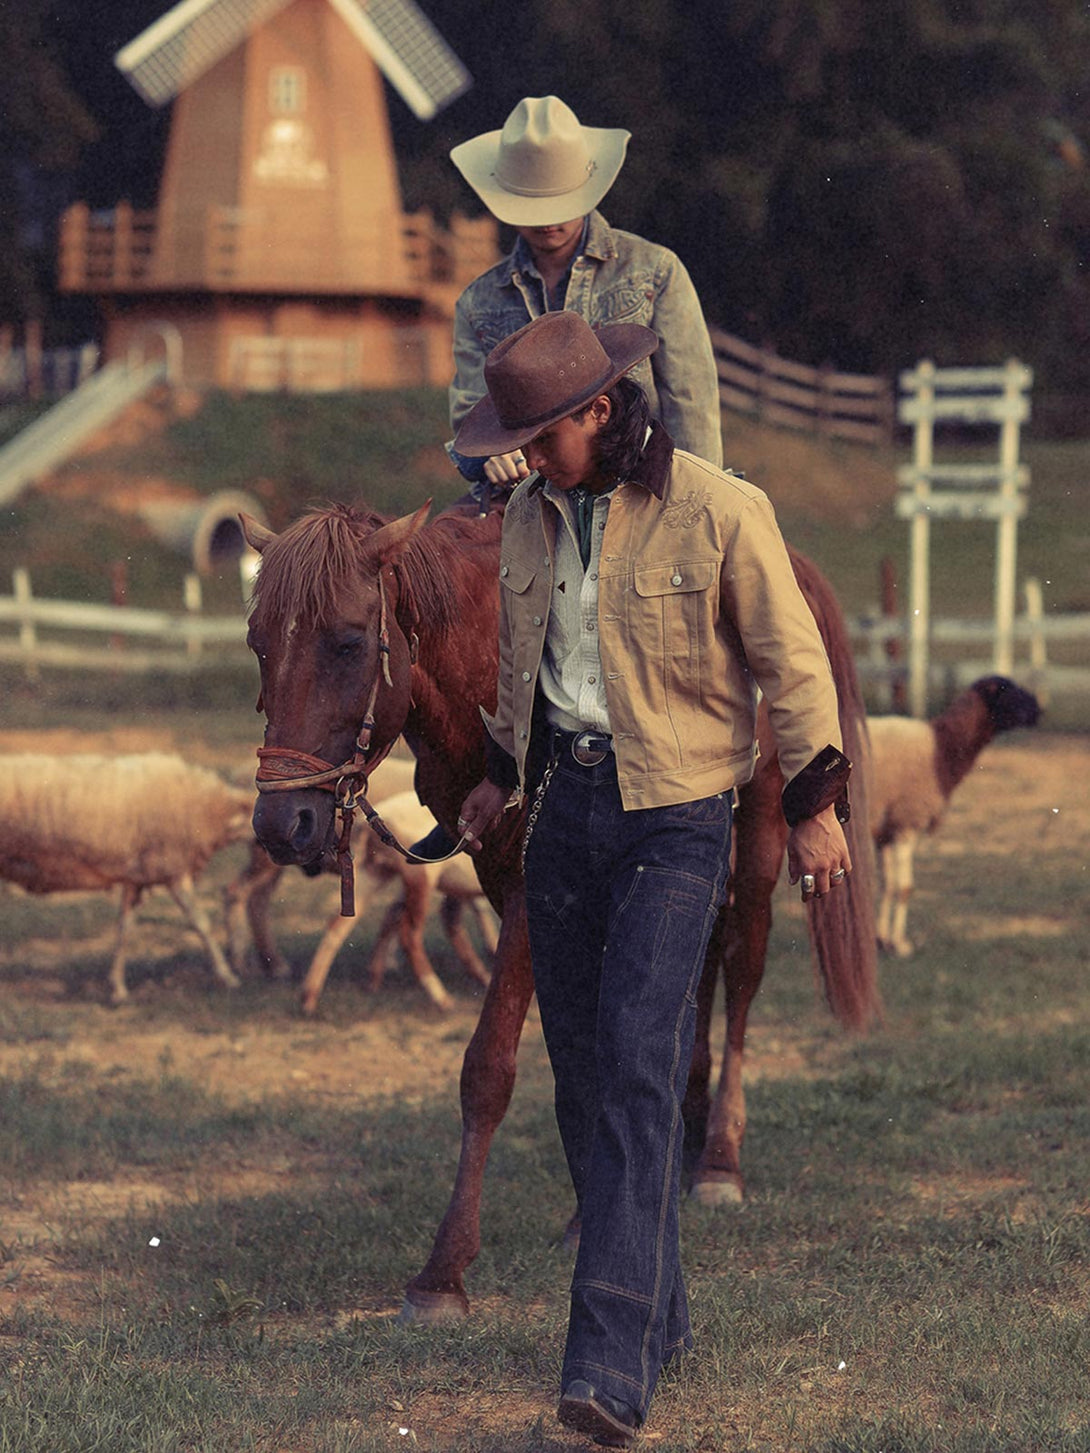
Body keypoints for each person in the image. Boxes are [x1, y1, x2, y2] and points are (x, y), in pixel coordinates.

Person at [454, 311, 852, 1447]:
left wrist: (817, 805)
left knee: (636, 1060)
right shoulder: (526, 520)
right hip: (565, 813)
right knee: (582, 1079)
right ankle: (658, 1315)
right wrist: (495, 774)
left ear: (598, 410)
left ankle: (604, 1378)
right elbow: (521, 665)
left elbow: (793, 661)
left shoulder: (721, 509)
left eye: (542, 431)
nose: (524, 452)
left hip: (678, 818)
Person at [447, 94, 723, 505]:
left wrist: (699, 497)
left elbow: (690, 399)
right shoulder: (478, 301)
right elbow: (471, 412)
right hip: (531, 486)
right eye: (534, 205)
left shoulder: (655, 269)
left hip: (637, 481)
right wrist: (493, 455)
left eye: (560, 202)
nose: (550, 221)